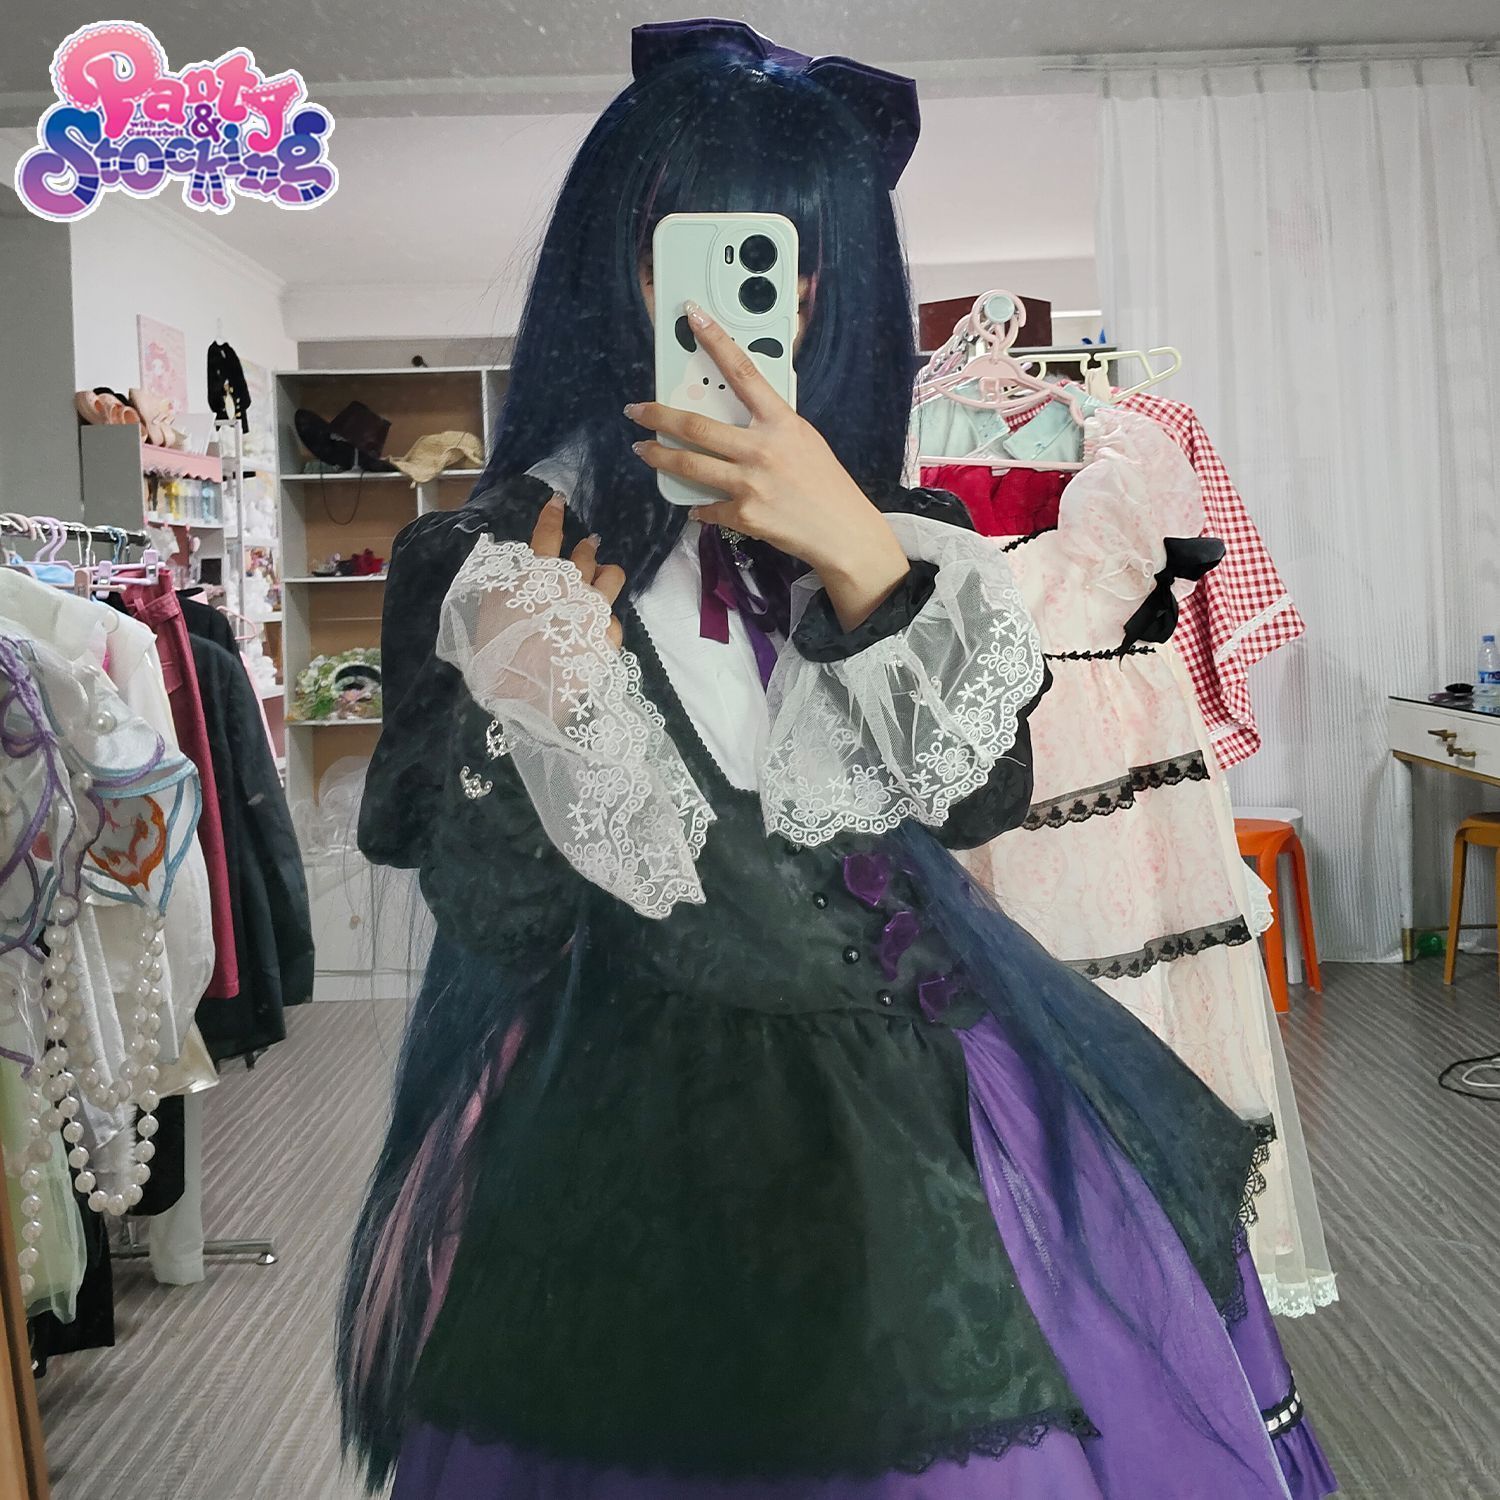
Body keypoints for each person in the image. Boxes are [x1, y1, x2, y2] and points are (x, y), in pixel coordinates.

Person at [338, 20, 1337, 1499]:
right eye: (702, 244)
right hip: (631, 1142)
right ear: (619, 262)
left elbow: (981, 798)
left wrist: (865, 563)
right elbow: (497, 919)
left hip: (936, 1115)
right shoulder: (490, 554)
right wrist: (537, 706)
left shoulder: (909, 531)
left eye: (800, 258)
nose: (761, 299)